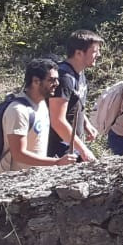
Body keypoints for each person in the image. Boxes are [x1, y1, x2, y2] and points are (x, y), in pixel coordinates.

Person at [0, 59, 79, 171]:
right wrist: (57, 162)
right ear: (36, 81)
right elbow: (18, 154)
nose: (57, 84)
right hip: (12, 178)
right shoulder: (18, 111)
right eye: (51, 80)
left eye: (57, 79)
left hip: (33, 176)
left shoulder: (42, 104)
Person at [47, 29, 102, 163]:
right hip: (59, 149)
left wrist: (86, 124)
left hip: (73, 145)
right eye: (94, 51)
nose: (99, 55)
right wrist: (83, 150)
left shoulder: (79, 73)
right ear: (79, 53)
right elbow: (57, 121)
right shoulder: (63, 78)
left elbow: (74, 102)